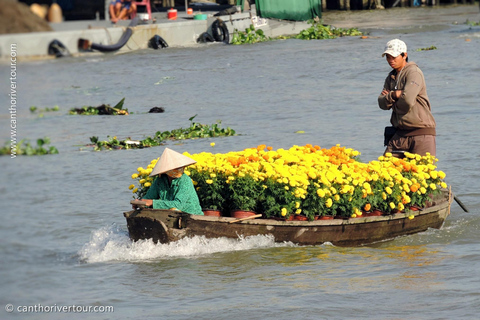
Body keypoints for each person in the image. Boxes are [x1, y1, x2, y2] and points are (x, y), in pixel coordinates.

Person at [378, 39, 436, 157]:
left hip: (421, 134)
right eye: (388, 57)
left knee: (424, 174)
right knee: (382, 170)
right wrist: (394, 95)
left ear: (405, 55)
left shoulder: (414, 72)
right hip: (400, 133)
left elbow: (407, 101)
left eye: (394, 57)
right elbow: (382, 103)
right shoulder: (391, 77)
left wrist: (392, 101)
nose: (390, 60)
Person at [133, 148, 204, 215]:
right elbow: (148, 198)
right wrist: (140, 203)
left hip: (190, 215)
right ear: (166, 170)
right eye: (175, 168)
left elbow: (178, 205)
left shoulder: (185, 181)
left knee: (174, 210)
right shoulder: (160, 180)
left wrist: (153, 202)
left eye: (179, 167)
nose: (178, 169)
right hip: (170, 215)